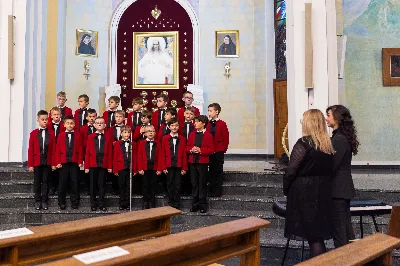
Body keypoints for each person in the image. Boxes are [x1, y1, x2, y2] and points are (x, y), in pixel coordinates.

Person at [283, 109, 335, 258]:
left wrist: (286, 189)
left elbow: (291, 170)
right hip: (323, 190)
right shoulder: (327, 143)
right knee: (317, 235)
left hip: (305, 192)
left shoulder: (304, 143)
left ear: (308, 123)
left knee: (313, 237)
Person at [326, 105, 359, 248]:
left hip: (338, 189)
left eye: (328, 115)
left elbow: (331, 165)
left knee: (341, 234)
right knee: (345, 231)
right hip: (341, 188)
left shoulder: (339, 139)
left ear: (337, 118)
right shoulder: (339, 137)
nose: (326, 118)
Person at [28, 110, 55, 211]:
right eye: (42, 119)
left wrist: (53, 163)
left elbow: (54, 149)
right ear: (38, 120)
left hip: (47, 161)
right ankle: (37, 201)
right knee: (37, 182)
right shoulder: (33, 133)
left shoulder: (51, 133)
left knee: (46, 181)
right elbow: (30, 149)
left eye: (46, 119)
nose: (44, 121)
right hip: (37, 161)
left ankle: (44, 201)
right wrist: (31, 164)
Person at [53, 116, 83, 210]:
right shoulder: (61, 135)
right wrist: (58, 162)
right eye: (68, 123)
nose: (70, 125)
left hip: (74, 162)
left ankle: (75, 202)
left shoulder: (78, 135)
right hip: (63, 162)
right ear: (64, 125)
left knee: (75, 183)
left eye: (71, 123)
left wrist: (80, 161)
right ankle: (61, 202)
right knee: (62, 183)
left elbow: (80, 149)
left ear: (74, 124)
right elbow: (57, 149)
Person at [187, 115, 214, 213]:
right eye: (195, 122)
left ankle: (203, 205)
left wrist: (200, 150)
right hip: (193, 162)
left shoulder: (208, 135)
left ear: (203, 123)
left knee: (202, 184)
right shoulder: (192, 134)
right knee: (194, 184)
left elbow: (211, 150)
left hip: (202, 162)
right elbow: (187, 147)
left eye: (197, 122)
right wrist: (191, 149)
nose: (195, 123)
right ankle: (194, 204)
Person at [84, 117, 112, 212]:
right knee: (92, 185)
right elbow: (87, 152)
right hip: (92, 164)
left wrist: (109, 166)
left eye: (101, 123)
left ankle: (101, 203)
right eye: (97, 123)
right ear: (94, 125)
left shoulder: (108, 136)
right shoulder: (90, 137)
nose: (99, 124)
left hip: (103, 164)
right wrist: (86, 166)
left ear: (105, 125)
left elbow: (110, 152)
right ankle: (93, 203)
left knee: (102, 185)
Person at [159, 118, 188, 209]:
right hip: (168, 165)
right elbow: (162, 153)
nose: (174, 127)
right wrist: (163, 167)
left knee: (178, 184)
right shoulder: (164, 138)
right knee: (170, 183)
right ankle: (171, 201)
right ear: (168, 127)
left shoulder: (182, 139)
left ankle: (177, 202)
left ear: (178, 126)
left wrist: (184, 167)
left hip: (179, 164)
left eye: (176, 125)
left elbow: (184, 153)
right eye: (172, 126)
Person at [207, 103, 229, 197]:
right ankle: (211, 190)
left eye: (211, 111)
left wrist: (222, 150)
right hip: (209, 151)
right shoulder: (207, 123)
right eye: (208, 110)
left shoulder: (222, 123)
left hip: (218, 151)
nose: (209, 112)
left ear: (216, 112)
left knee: (218, 171)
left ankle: (217, 191)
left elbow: (226, 138)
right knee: (211, 171)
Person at [137, 125, 161, 209]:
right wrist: (140, 168)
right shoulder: (141, 143)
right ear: (145, 134)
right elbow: (139, 157)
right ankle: (145, 201)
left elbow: (160, 157)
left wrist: (159, 169)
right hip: (144, 168)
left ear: (155, 133)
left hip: (154, 168)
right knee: (145, 185)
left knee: (153, 185)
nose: (150, 133)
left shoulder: (158, 143)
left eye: (152, 131)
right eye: (148, 131)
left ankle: (152, 202)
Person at [113, 126, 137, 210]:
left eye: (128, 132)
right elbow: (115, 157)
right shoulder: (117, 143)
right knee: (122, 186)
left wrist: (135, 169)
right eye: (125, 132)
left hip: (130, 168)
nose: (126, 134)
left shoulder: (133, 144)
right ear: (121, 134)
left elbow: (135, 157)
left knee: (128, 187)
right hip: (121, 167)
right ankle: (121, 203)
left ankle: (127, 203)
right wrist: (115, 169)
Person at [47, 107, 65, 195]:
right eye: (55, 114)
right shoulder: (48, 125)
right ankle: (52, 187)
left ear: (61, 115)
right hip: (50, 150)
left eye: (58, 114)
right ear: (51, 116)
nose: (57, 116)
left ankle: (59, 187)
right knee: (51, 170)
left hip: (61, 150)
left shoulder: (64, 125)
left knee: (60, 170)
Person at [181, 107, 196, 196]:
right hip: (182, 150)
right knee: (182, 170)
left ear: (194, 116)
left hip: (191, 151)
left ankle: (190, 189)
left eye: (191, 114)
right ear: (184, 114)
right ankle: (183, 189)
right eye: (187, 113)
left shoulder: (195, 126)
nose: (188, 115)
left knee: (191, 170)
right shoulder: (180, 125)